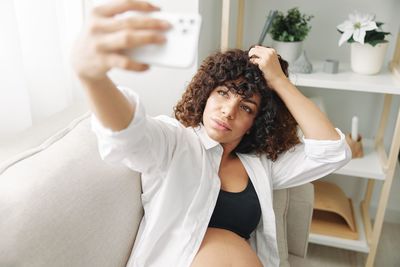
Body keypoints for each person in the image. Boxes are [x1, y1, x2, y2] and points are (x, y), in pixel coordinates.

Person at [71, 1, 351, 266]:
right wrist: (94, 79)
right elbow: (128, 136)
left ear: (256, 121)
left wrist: (279, 81)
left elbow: (332, 152)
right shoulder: (176, 143)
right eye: (222, 93)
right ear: (206, 95)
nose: (229, 111)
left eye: (246, 107)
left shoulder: (262, 165)